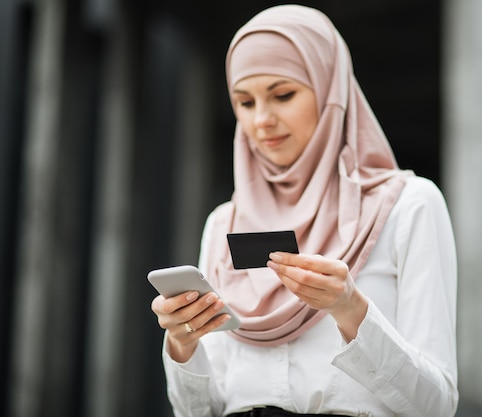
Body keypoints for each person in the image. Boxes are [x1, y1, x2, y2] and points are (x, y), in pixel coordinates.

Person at [151, 4, 458, 417]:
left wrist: (351, 310)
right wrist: (183, 344)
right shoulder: (224, 222)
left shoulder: (408, 205)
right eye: (244, 102)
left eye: (283, 95)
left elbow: (436, 406)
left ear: (331, 91)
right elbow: (200, 412)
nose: (261, 120)